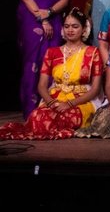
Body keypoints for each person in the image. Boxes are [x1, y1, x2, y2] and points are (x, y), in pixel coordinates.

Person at [1, 8, 102, 140]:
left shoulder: (93, 52)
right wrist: (51, 103)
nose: (70, 30)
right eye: (67, 26)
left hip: (82, 100)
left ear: (84, 30)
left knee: (67, 117)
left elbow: (95, 89)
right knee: (37, 117)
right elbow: (42, 86)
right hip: (56, 97)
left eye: (75, 26)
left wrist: (70, 104)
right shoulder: (52, 52)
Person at [16, 0, 70, 117]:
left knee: (52, 61)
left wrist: (50, 12)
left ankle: (49, 109)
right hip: (31, 20)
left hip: (54, 19)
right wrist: (43, 18)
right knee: (32, 62)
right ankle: (31, 111)